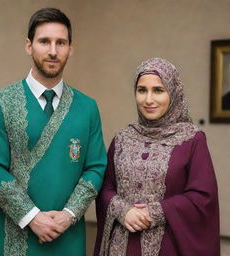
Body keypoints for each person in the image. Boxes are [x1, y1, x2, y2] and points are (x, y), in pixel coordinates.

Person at [0, 8, 107, 256]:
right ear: (29, 46)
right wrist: (32, 217)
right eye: (44, 41)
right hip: (15, 234)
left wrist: (68, 215)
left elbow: (96, 167)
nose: (52, 50)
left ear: (71, 48)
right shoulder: (2, 102)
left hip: (67, 234)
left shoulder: (87, 107)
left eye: (61, 42)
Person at [94, 58, 220, 256]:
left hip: (169, 246)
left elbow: (202, 197)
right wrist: (123, 210)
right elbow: (105, 187)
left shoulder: (192, 139)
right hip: (120, 246)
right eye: (142, 90)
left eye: (158, 90)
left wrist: (155, 212)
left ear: (173, 92)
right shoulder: (122, 138)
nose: (148, 99)